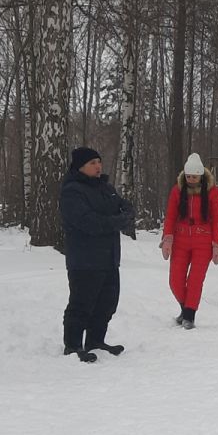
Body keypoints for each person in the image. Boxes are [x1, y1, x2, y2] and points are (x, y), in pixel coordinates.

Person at [60, 147, 136, 359]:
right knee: (82, 304)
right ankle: (73, 345)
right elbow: (88, 222)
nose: (98, 166)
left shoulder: (106, 187)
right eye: (92, 163)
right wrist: (117, 221)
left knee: (107, 303)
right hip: (85, 259)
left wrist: (127, 214)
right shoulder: (72, 191)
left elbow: (124, 206)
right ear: (80, 166)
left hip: (109, 257)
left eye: (99, 162)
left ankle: (95, 340)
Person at [161, 153, 218, 327]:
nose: (191, 180)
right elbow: (171, 216)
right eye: (188, 177)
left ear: (201, 176)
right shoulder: (177, 191)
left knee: (195, 280)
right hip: (181, 240)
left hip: (203, 240)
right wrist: (167, 238)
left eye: (194, 177)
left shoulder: (213, 193)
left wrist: (217, 244)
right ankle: (184, 307)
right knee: (175, 280)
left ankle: (189, 315)